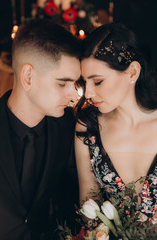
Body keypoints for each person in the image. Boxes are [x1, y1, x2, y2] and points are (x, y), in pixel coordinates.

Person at [0, 19, 81, 240]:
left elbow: (70, 201)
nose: (73, 95)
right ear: (28, 77)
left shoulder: (66, 128)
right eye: (62, 83)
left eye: (75, 84)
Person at [75, 23, 157, 224]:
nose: (88, 93)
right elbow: (88, 205)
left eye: (98, 81)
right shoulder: (88, 126)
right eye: (85, 82)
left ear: (132, 72)